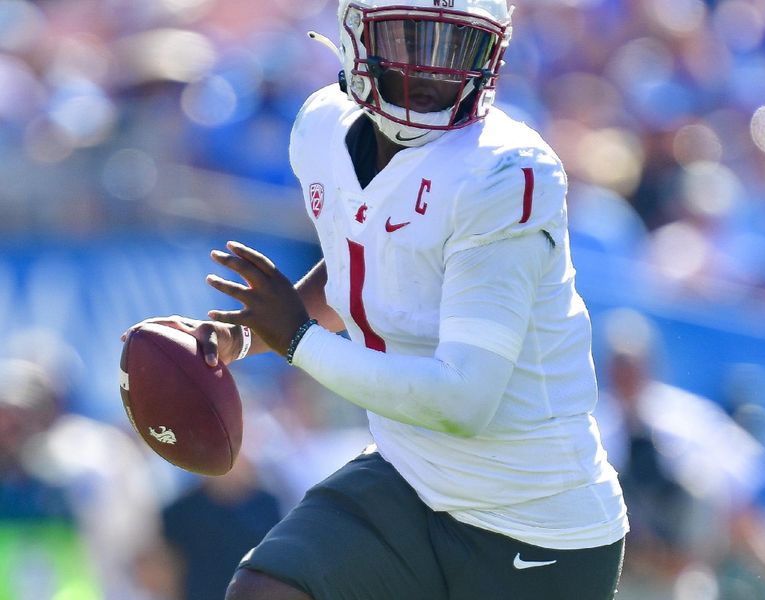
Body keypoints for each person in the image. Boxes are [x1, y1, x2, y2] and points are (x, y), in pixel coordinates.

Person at [125, 1, 628, 598]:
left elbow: (464, 400)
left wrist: (296, 339)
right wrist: (247, 335)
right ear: (355, 36)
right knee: (265, 592)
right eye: (411, 41)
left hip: (533, 519)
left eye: (454, 49)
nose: (432, 71)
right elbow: (361, 272)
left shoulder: (503, 171)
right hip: (410, 477)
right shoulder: (322, 127)